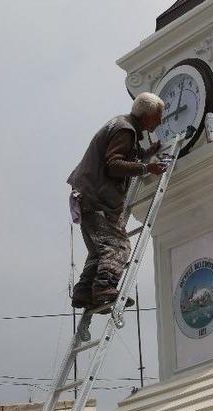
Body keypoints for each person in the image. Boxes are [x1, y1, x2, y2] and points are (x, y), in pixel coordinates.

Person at [67, 92, 166, 310]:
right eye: (158, 115)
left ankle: (84, 293)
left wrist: (147, 153)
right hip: (97, 199)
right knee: (118, 246)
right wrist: (147, 168)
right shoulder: (125, 130)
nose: (161, 120)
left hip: (87, 195)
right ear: (147, 115)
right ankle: (104, 289)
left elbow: (124, 153)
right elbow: (114, 164)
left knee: (99, 251)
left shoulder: (123, 126)